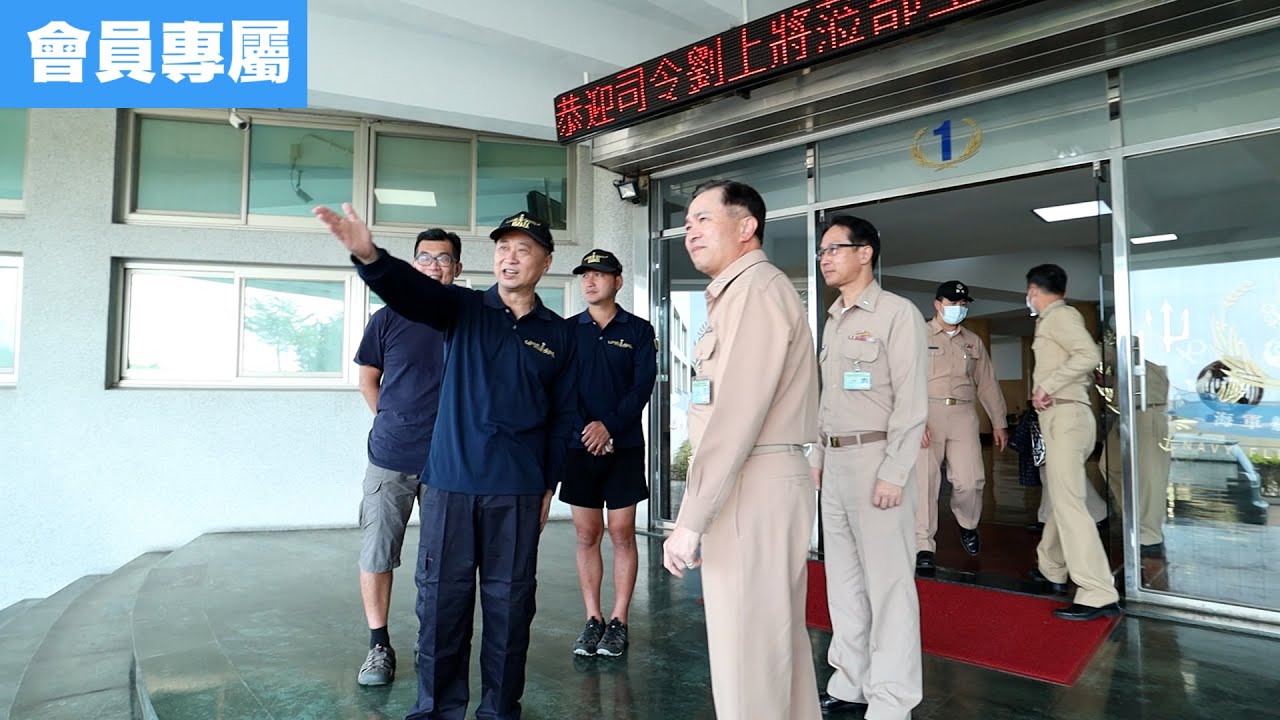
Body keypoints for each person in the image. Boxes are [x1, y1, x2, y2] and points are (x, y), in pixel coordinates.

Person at [315, 204, 575, 720]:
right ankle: (436, 711)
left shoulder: (560, 335)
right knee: (441, 606)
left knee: (510, 609)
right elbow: (410, 293)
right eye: (502, 248)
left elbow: (562, 419)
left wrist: (547, 488)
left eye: (523, 250)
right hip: (451, 486)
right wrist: (368, 256)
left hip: (518, 492)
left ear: (545, 262)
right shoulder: (463, 310)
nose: (510, 258)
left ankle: (500, 710)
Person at [660, 180, 821, 720]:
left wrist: (691, 518)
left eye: (704, 219)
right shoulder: (739, 294)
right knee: (771, 646)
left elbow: (736, 414)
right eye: (687, 225)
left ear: (747, 226)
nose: (691, 232)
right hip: (756, 479)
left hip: (753, 480)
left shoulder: (753, 291)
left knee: (747, 651)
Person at [810, 215, 927, 720]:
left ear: (866, 253)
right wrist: (816, 453)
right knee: (844, 582)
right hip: (834, 463)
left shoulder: (897, 314)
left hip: (877, 459)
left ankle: (893, 698)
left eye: (835, 249)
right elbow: (826, 398)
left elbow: (912, 401)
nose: (825, 259)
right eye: (821, 252)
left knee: (890, 586)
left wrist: (894, 472)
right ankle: (851, 682)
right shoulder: (834, 319)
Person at [352, 229, 461, 686]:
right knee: (378, 551)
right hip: (391, 455)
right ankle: (379, 646)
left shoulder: (467, 316)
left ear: (457, 268)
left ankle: (429, 637)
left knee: (440, 559)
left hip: (450, 462)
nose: (434, 265)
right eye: (425, 257)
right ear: (414, 265)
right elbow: (368, 380)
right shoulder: (386, 317)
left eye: (443, 259)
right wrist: (395, 421)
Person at [561, 248, 657, 658]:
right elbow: (559, 391)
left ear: (617, 281)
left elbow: (642, 387)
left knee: (620, 532)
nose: (590, 281)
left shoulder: (637, 330)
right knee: (586, 534)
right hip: (578, 446)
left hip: (624, 446)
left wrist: (609, 427)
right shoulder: (566, 332)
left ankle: (619, 620)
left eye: (600, 275)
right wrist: (587, 431)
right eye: (585, 275)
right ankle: (593, 618)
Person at [1024, 263, 1121, 621]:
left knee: (1069, 505)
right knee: (1064, 496)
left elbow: (1088, 355)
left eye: (1030, 292)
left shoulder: (1060, 317)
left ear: (1034, 290)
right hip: (1064, 417)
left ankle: (1096, 591)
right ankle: (1051, 567)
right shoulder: (1053, 318)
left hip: (1066, 418)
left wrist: (1047, 385)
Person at [915, 280, 1008, 573]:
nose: (958, 308)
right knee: (924, 483)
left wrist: (999, 422)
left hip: (964, 415)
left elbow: (988, 384)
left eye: (963, 304)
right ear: (937, 304)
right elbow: (905, 381)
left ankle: (968, 525)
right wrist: (913, 420)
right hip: (927, 414)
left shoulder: (973, 341)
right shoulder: (918, 335)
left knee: (970, 480)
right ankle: (923, 545)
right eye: (952, 303)